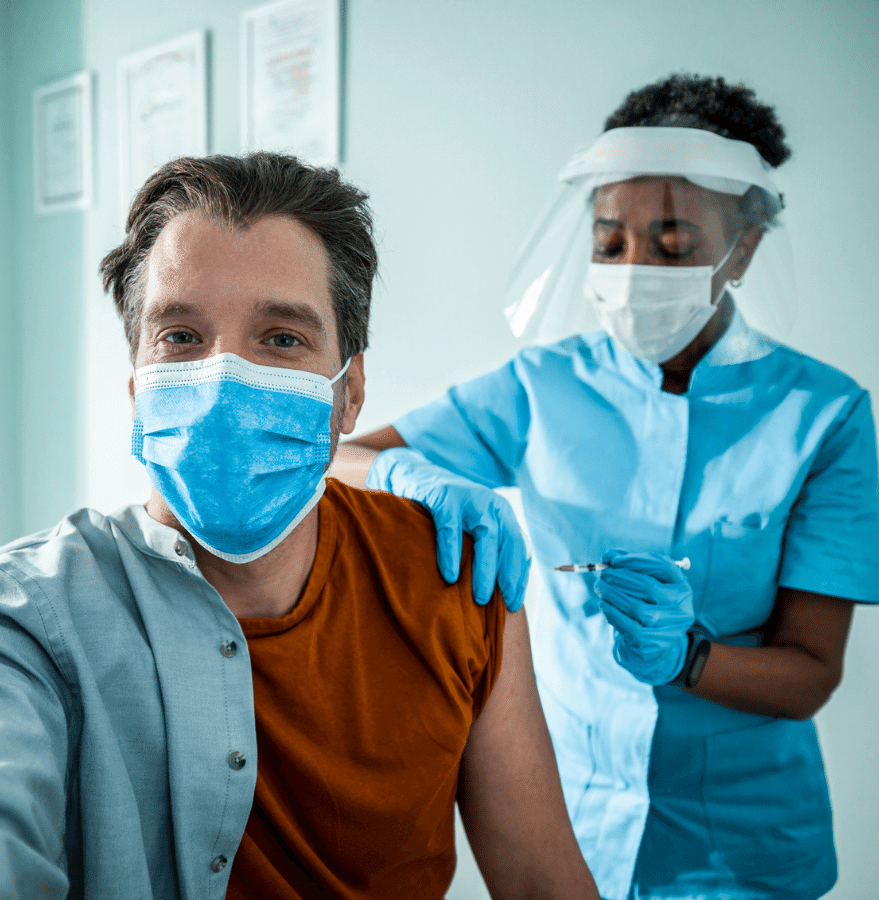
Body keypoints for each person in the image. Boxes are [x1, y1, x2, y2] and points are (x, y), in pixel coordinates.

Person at [0, 152, 597, 900]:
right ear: (136, 387)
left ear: (352, 391)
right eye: (181, 335)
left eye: (283, 338)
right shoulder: (12, 620)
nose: (226, 376)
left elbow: (543, 883)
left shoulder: (455, 581)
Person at [334, 74, 879, 900]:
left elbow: (810, 672)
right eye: (609, 242)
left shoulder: (824, 415)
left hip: (741, 845)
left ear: (745, 248)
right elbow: (341, 457)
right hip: (572, 816)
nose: (633, 272)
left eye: (671, 246)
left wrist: (687, 657)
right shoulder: (545, 384)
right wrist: (411, 475)